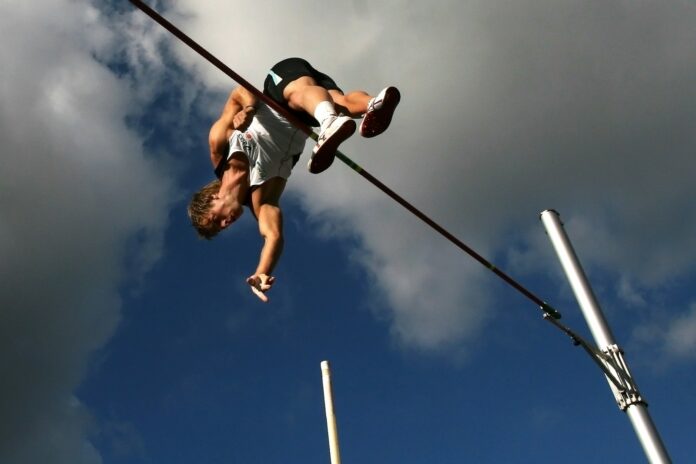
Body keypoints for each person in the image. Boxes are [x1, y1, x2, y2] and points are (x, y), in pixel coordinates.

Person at [187, 58, 400, 302]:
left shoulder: (220, 147)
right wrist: (262, 272)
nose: (226, 224)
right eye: (221, 228)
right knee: (342, 104)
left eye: (216, 219)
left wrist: (248, 109)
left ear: (212, 197)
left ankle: (329, 123)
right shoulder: (262, 199)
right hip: (311, 110)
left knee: (298, 95)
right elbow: (273, 236)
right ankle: (374, 103)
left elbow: (239, 93)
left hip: (281, 89)